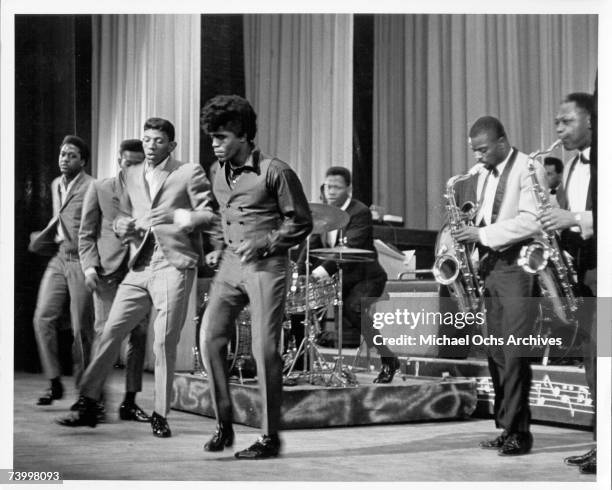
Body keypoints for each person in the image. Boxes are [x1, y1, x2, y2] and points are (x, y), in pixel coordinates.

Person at [57, 118, 217, 438]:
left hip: (173, 264)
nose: (150, 146)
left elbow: (209, 214)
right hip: (140, 264)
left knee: (162, 342)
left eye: (158, 140)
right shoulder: (130, 174)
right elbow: (125, 216)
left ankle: (160, 412)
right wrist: (122, 225)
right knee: (110, 332)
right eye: (146, 139)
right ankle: (88, 403)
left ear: (171, 145)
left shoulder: (188, 172)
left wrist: (178, 216)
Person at [199, 95, 312, 459]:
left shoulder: (275, 171)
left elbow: (301, 221)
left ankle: (269, 437)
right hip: (230, 265)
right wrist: (217, 243)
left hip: (267, 265)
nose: (214, 144)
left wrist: (264, 243)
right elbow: (220, 213)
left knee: (265, 350)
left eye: (221, 137)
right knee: (210, 338)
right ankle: (224, 424)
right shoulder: (218, 172)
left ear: (243, 135)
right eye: (212, 137)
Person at [453, 116, 545, 456]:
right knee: (495, 351)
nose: (477, 156)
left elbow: (531, 219)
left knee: (514, 350)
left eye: (482, 149)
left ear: (502, 143)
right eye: (474, 150)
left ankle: (521, 431)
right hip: (489, 266)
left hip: (518, 265)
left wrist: (483, 234)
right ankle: (506, 426)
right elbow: (479, 216)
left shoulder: (528, 167)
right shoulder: (479, 175)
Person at [300, 166, 400, 383]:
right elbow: (310, 248)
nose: (331, 191)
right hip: (336, 277)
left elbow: (352, 248)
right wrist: (299, 276)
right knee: (299, 306)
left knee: (354, 308)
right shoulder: (322, 213)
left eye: (337, 187)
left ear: (349, 189)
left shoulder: (359, 212)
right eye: (328, 186)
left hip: (365, 277)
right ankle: (299, 363)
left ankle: (388, 358)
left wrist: (318, 273)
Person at [540, 92, 596, 474]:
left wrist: (572, 217)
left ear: (592, 121)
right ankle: (601, 443)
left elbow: (585, 217)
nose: (558, 129)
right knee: (595, 363)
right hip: (588, 276)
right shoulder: (573, 166)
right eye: (557, 122)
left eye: (566, 121)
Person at [77, 139, 150, 423]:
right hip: (106, 274)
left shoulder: (152, 192)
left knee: (139, 336)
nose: (133, 167)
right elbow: (86, 234)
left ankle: (129, 403)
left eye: (139, 163)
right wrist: (89, 269)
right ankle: (94, 400)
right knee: (105, 335)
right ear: (119, 160)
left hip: (139, 273)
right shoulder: (101, 188)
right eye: (128, 162)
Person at [29, 135, 95, 406]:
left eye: (71, 155)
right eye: (62, 154)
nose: (64, 159)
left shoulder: (93, 187)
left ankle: (85, 392)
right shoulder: (57, 184)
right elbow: (59, 219)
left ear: (82, 161)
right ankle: (54, 382)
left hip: (81, 259)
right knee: (42, 318)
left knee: (82, 329)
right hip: (59, 256)